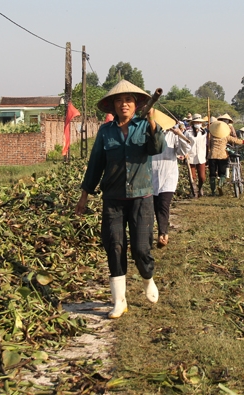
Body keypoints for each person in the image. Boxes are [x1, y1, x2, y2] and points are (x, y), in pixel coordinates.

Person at [74, 80, 166, 319]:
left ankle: (148, 279)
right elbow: (96, 164)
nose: (124, 104)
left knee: (141, 248)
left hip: (141, 197)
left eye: (128, 100)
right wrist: (84, 196)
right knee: (114, 246)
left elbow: (157, 149)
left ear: (136, 104)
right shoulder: (106, 132)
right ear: (112, 106)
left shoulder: (145, 125)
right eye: (119, 100)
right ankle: (119, 301)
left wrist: (153, 123)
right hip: (113, 199)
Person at [151, 116, 192, 248]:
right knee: (151, 206)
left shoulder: (173, 135)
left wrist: (180, 134)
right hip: (150, 175)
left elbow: (183, 150)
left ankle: (163, 234)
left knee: (163, 205)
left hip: (169, 175)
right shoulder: (150, 135)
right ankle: (147, 236)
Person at [207, 120, 244, 196]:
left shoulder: (212, 137)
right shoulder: (226, 137)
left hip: (212, 156)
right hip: (223, 156)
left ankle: (213, 191)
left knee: (212, 174)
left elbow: (209, 145)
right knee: (222, 173)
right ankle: (220, 185)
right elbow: (236, 141)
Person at [186, 114, 208, 197]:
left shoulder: (204, 132)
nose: (198, 124)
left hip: (201, 156)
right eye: (196, 122)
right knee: (192, 177)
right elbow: (184, 143)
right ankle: (194, 192)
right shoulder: (188, 132)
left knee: (202, 177)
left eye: (199, 122)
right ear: (193, 123)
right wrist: (185, 153)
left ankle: (200, 187)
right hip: (191, 156)